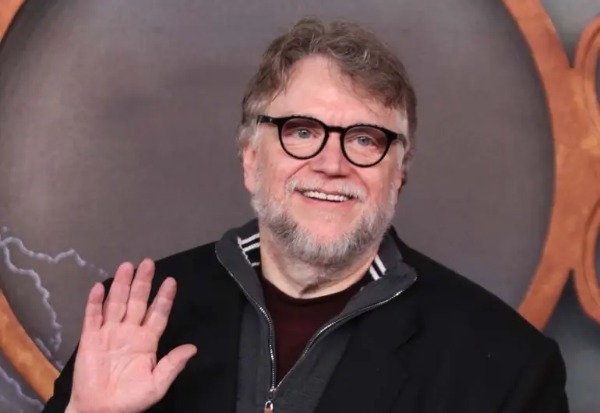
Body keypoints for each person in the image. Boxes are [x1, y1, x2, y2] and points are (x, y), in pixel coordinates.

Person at [43, 17, 569, 413]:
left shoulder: (509, 368)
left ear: (400, 172)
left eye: (365, 139)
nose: (332, 163)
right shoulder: (133, 321)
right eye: (301, 131)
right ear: (252, 159)